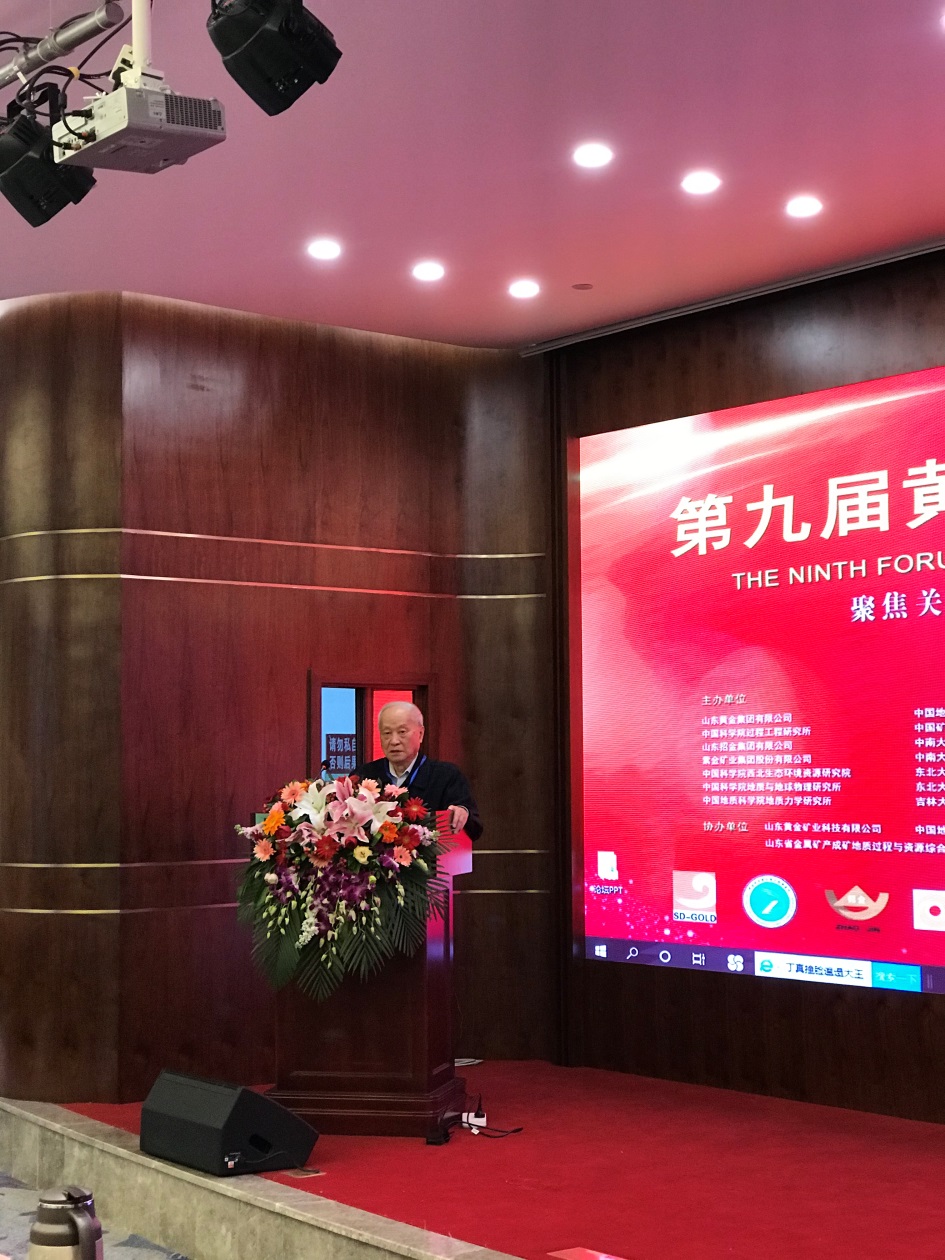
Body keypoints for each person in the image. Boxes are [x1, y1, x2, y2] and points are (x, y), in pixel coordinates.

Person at [356, 701, 482, 840]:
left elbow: (475, 828)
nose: (394, 741)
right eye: (387, 733)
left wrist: (463, 812)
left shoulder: (446, 776)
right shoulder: (364, 776)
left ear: (420, 734)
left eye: (402, 732)